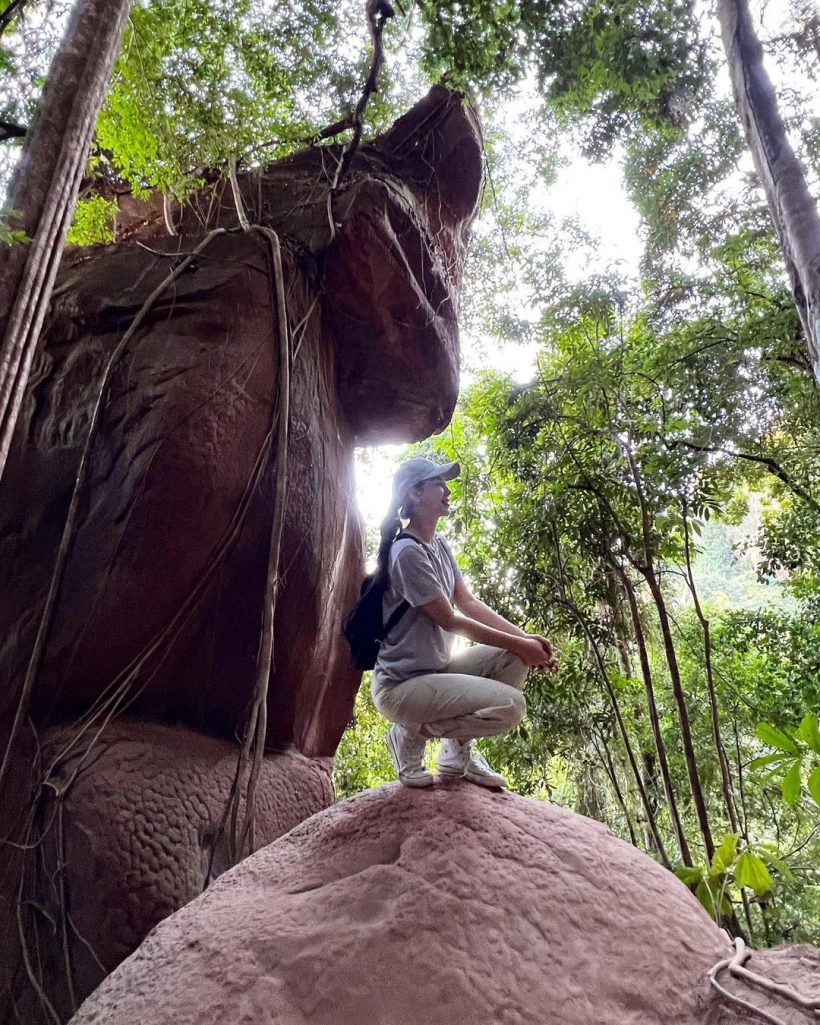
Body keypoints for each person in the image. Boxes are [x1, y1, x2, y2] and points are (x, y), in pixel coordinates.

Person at [371, 456, 557, 789]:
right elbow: (450, 620)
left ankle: (456, 753)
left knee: (512, 659)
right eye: (438, 484)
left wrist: (525, 639)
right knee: (511, 706)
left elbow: (468, 603)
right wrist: (523, 645)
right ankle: (408, 732)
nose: (447, 491)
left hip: (437, 673)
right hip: (400, 688)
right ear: (414, 493)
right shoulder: (407, 552)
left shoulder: (439, 545)